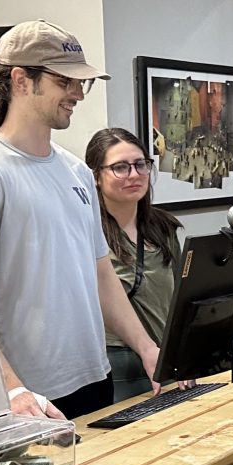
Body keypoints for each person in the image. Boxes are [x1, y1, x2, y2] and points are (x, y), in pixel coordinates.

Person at [0, 20, 162, 420]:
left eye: (82, 83)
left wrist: (148, 349)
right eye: (65, 82)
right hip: (30, 399)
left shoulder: (76, 172)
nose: (78, 94)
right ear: (21, 80)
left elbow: (101, 277)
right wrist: (12, 390)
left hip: (95, 378)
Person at [85, 128, 196, 401]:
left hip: (167, 361)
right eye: (119, 168)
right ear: (95, 176)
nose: (134, 175)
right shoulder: (88, 232)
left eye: (140, 165)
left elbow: (182, 296)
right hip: (119, 366)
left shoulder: (163, 227)